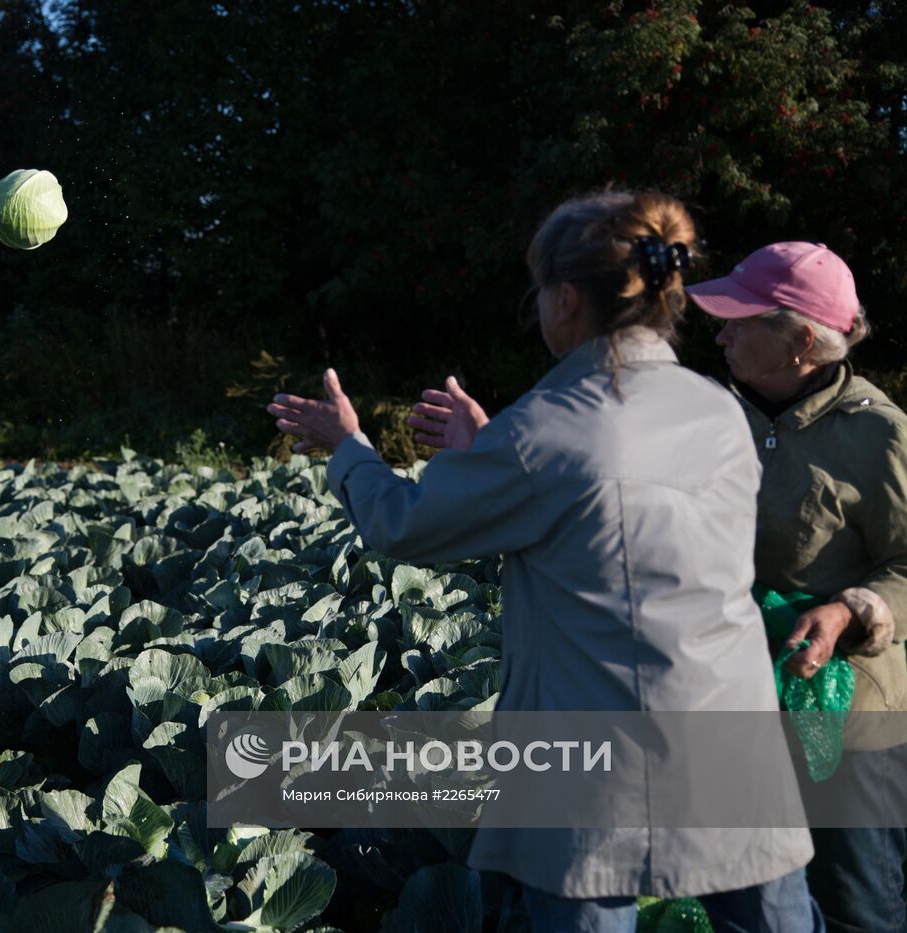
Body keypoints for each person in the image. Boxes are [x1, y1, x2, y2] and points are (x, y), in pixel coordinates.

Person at [268, 191, 821, 930]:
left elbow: (401, 525)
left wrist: (349, 447)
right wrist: (494, 446)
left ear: (567, 300)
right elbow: (619, 509)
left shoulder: (547, 431)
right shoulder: (719, 411)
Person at [686, 242, 907, 933]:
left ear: (801, 341)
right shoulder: (713, 420)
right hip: (734, 703)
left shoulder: (878, 434)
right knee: (744, 902)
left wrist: (851, 609)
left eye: (737, 321)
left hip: (850, 716)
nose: (720, 334)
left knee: (856, 907)